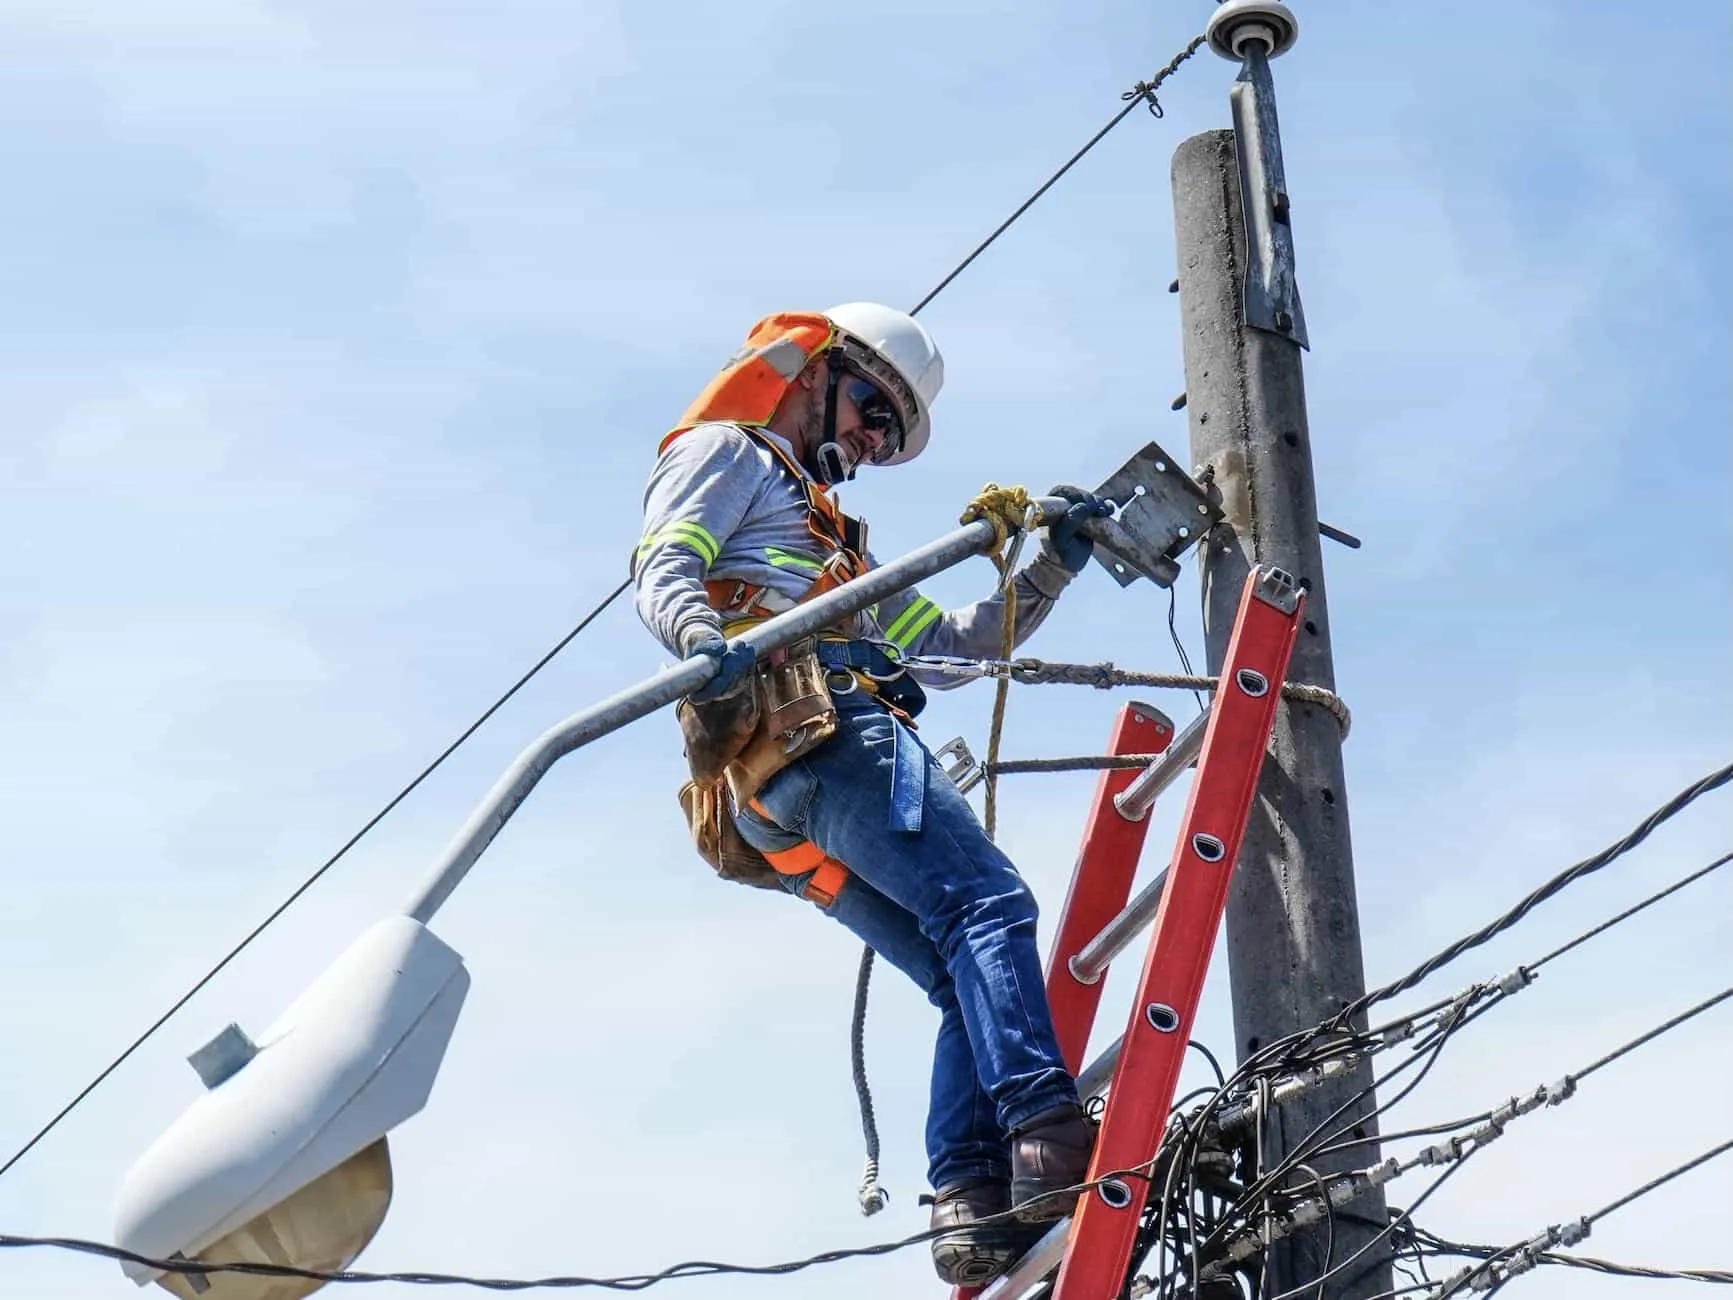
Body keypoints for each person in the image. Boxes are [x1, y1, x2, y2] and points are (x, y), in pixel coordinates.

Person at [632, 303, 1112, 1286]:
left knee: (952, 972)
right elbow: (662, 561)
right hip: (817, 728)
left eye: (889, 430)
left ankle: (969, 1199)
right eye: (865, 405)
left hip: (778, 790)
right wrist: (696, 642)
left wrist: (1051, 566)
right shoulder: (736, 455)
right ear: (809, 371)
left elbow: (955, 652)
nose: (870, 437)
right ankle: (1047, 1136)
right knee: (987, 905)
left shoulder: (834, 547)